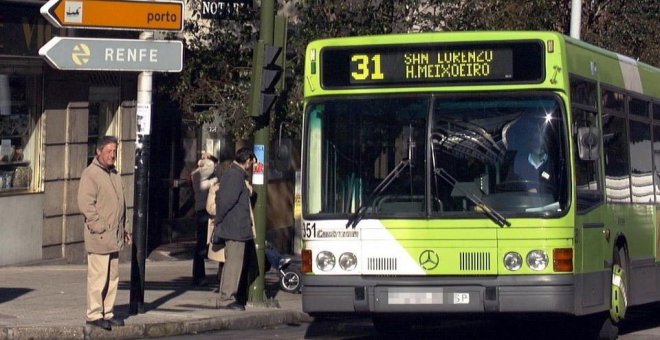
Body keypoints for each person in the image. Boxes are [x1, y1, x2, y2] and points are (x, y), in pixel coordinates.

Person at [77, 135, 131, 331]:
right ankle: (94, 313)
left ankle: (107, 312)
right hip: (99, 235)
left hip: (114, 235)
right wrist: (98, 224)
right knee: (98, 276)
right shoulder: (90, 174)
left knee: (113, 277)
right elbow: (85, 204)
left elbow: (121, 204)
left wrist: (125, 228)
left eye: (115, 151)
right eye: (109, 151)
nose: (112, 155)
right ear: (98, 152)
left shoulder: (114, 174)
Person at [214, 147, 258, 311]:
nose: (251, 166)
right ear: (246, 161)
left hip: (236, 227)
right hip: (235, 228)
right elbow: (226, 201)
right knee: (234, 264)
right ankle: (227, 298)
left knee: (234, 263)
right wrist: (219, 219)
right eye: (251, 163)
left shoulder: (235, 174)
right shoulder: (234, 175)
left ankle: (227, 296)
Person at [190, 155, 219, 286]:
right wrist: (204, 159)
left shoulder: (203, 177)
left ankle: (200, 275)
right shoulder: (198, 174)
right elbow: (210, 166)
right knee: (202, 245)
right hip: (203, 212)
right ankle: (199, 276)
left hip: (205, 211)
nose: (214, 168)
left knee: (205, 244)